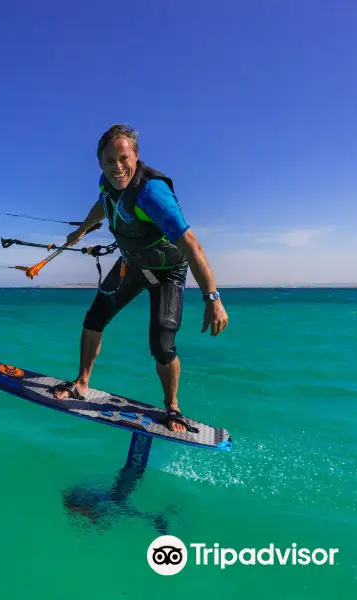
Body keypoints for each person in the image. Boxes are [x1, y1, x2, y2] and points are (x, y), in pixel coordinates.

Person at [51, 124, 229, 433]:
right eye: (109, 161)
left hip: (167, 273)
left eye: (123, 159)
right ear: (100, 163)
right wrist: (81, 230)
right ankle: (82, 382)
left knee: (162, 344)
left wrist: (212, 298)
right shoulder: (107, 184)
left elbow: (192, 245)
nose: (117, 167)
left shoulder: (152, 193)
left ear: (135, 156)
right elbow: (103, 205)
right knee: (94, 319)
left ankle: (172, 407)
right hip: (131, 265)